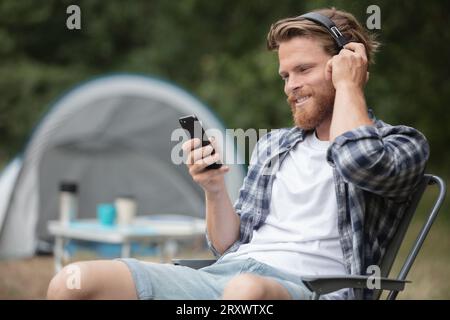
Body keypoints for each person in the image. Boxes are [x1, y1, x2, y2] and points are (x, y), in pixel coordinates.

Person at [47, 7, 429, 300]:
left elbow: (358, 162)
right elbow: (228, 246)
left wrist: (348, 87)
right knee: (74, 283)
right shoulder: (274, 147)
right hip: (225, 277)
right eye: (285, 76)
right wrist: (214, 188)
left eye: (303, 69)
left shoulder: (401, 144)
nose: (291, 86)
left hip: (309, 289)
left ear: (349, 62)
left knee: (245, 293)